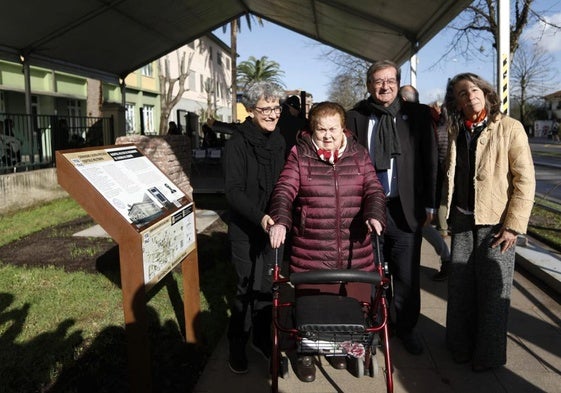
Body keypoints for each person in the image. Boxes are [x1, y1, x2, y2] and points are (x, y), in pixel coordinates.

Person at [268, 101, 386, 382]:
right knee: (312, 308)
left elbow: (373, 188)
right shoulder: (300, 154)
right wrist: (281, 220)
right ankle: (306, 354)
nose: (328, 135)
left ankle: (340, 349)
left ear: (343, 128)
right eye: (321, 129)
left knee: (350, 307)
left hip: (354, 250)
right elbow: (284, 189)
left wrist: (374, 213)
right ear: (312, 129)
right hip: (312, 249)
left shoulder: (358, 154)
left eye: (333, 129)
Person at [441, 73, 535, 372]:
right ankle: (459, 346)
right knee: (460, 291)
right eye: (461, 93)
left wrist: (513, 225)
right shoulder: (457, 129)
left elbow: (525, 181)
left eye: (474, 90)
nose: (470, 96)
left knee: (494, 295)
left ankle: (489, 356)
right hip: (463, 220)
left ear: (485, 92)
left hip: (497, 224)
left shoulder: (510, 128)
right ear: (455, 101)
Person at [346, 60, 438, 356]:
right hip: (367, 211)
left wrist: (431, 204)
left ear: (397, 83)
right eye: (377, 81)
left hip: (404, 210)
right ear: (369, 85)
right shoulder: (356, 117)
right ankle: (372, 327)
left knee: (407, 277)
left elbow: (431, 161)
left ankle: (406, 328)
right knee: (369, 274)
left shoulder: (418, 115)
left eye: (389, 80)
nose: (384, 86)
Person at [222, 81, 286, 374]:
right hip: (246, 227)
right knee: (246, 289)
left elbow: (285, 185)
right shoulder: (236, 144)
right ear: (250, 110)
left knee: (268, 286)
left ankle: (262, 339)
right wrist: (260, 217)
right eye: (266, 109)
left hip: (274, 227)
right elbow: (233, 191)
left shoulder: (280, 142)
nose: (273, 114)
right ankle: (237, 343)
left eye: (277, 108)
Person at [399, 85, 451, 281]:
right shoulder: (432, 118)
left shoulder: (418, 119)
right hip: (428, 182)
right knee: (422, 226)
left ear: (403, 100)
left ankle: (447, 259)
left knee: (422, 225)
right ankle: (446, 259)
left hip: (419, 184)